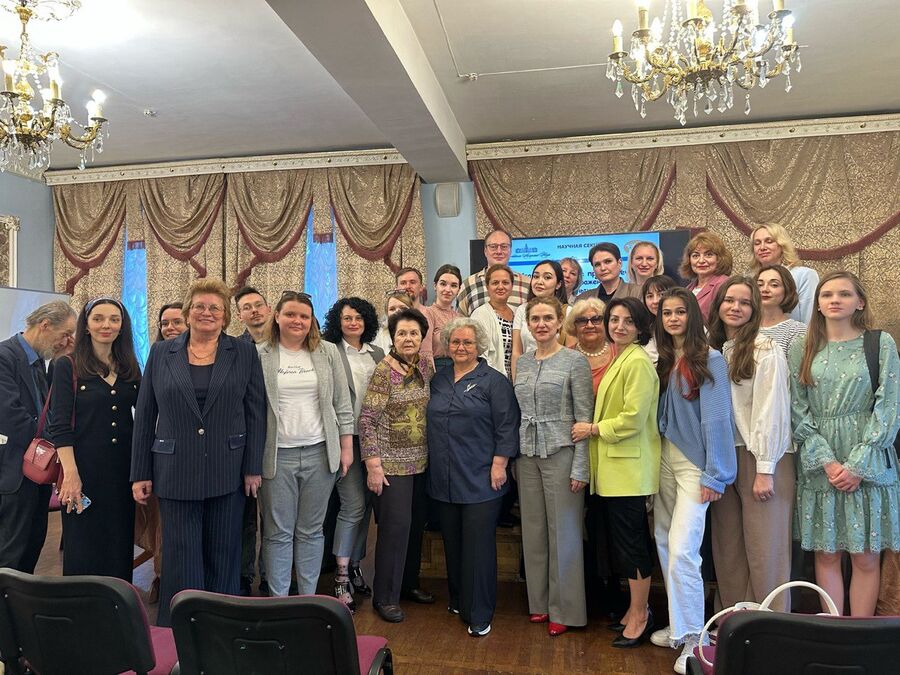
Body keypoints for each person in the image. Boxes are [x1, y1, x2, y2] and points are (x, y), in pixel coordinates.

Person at [131, 278, 266, 627]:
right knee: (180, 555)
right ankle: (181, 625)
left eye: (215, 308)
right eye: (200, 307)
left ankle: (222, 624)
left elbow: (256, 412)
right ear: (188, 312)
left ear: (225, 316)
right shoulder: (161, 353)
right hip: (174, 468)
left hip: (228, 467)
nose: (207, 313)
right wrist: (140, 472)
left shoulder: (244, 352)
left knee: (224, 551)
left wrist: (253, 467)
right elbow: (145, 414)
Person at [789, 271, 900, 616]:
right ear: (818, 304)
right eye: (827, 294)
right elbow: (797, 410)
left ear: (860, 302)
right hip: (820, 459)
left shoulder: (880, 343)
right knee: (826, 553)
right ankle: (834, 629)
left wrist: (858, 464)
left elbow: (889, 405)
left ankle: (859, 632)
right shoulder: (802, 347)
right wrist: (828, 461)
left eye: (844, 294)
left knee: (865, 555)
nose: (834, 300)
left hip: (868, 456)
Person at [651, 288, 736, 675]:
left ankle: (693, 640)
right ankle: (679, 624)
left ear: (692, 315)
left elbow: (717, 418)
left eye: (680, 311)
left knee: (684, 549)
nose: (673, 318)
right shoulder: (667, 359)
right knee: (665, 541)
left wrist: (716, 473)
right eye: (666, 312)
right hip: (665, 459)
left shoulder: (710, 359)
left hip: (694, 465)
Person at [426, 317, 520, 637]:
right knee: (452, 544)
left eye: (467, 342)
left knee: (478, 548)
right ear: (447, 345)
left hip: (481, 478)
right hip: (444, 478)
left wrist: (500, 464)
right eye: (455, 342)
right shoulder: (439, 379)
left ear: (479, 345)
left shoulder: (494, 381)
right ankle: (458, 600)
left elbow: (507, 425)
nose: (461, 347)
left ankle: (479, 613)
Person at [257, 292, 354, 600]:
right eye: (290, 314)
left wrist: (346, 448)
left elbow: (342, 404)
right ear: (277, 316)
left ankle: (308, 600)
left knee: (311, 531)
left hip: (320, 454)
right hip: (276, 456)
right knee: (278, 533)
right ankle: (279, 602)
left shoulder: (327, 351)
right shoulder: (260, 354)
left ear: (311, 320)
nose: (297, 321)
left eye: (304, 316)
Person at [576, 297, 660, 648]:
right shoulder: (621, 356)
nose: (619, 326)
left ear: (640, 327)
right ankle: (633, 609)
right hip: (614, 470)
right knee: (623, 545)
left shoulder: (637, 361)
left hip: (629, 470)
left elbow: (633, 418)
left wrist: (594, 429)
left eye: (628, 321)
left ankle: (641, 614)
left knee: (632, 545)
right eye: (614, 319)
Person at [707, 277, 794, 612]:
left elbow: (772, 408)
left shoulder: (765, 348)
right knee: (728, 548)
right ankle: (733, 621)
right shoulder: (714, 349)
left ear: (755, 308)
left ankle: (772, 626)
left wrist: (765, 468)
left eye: (744, 302)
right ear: (718, 305)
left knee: (765, 550)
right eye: (729, 300)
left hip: (760, 455)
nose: (736, 307)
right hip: (723, 456)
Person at [514, 297, 593, 637]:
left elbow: (584, 417)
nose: (541, 324)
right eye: (535, 318)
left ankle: (566, 610)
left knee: (565, 533)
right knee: (533, 531)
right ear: (528, 324)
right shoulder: (523, 362)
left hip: (562, 453)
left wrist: (581, 467)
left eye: (548, 318)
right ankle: (539, 603)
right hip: (527, 456)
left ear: (560, 321)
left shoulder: (574, 361)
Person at [50, 297, 142, 581]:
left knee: (119, 543)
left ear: (122, 326)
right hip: (82, 471)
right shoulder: (68, 366)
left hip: (122, 472)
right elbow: (60, 425)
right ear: (87, 326)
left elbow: (145, 415)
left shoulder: (129, 367)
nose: (106, 325)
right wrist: (71, 475)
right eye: (98, 318)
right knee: (83, 545)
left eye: (114, 319)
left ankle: (118, 603)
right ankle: (82, 606)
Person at [359, 307, 435, 623]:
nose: (408, 338)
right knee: (394, 530)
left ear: (422, 337)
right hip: (391, 467)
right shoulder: (383, 372)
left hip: (422, 462)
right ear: (393, 337)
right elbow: (367, 420)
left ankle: (408, 584)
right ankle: (385, 597)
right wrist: (373, 465)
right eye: (402, 333)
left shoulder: (426, 366)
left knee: (415, 527)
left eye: (414, 333)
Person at [0, 301, 76, 573]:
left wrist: (63, 360)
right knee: (10, 554)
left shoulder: (40, 364)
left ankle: (18, 600)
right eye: (65, 334)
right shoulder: (5, 356)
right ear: (45, 325)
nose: (67, 341)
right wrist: (53, 444)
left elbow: (51, 410)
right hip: (16, 474)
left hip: (38, 473)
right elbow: (10, 416)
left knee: (31, 548)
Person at [321, 297, 385, 606]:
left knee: (368, 507)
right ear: (338, 321)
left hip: (374, 441)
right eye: (347, 318)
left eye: (359, 317)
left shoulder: (378, 353)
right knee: (353, 505)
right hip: (344, 439)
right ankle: (341, 575)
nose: (353, 323)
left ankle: (356, 564)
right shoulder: (328, 352)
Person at [138, 301, 188, 603]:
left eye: (176, 322)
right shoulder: (157, 357)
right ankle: (161, 575)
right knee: (162, 524)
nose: (170, 328)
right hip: (163, 453)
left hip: (196, 455)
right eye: (165, 323)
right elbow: (146, 413)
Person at [233, 286, 273, 595]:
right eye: (247, 307)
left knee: (274, 518)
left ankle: (272, 574)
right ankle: (244, 574)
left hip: (280, 442)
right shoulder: (234, 349)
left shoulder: (285, 343)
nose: (254, 311)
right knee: (245, 517)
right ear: (239, 315)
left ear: (269, 308)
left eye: (258, 304)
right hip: (244, 443)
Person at [511, 259, 569, 380]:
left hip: (557, 376)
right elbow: (516, 352)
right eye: (536, 277)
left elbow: (571, 352)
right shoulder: (522, 310)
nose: (539, 282)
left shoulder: (568, 311)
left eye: (547, 277)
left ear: (558, 284)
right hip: (527, 375)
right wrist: (517, 383)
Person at [750, 223, 819, 323]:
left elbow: (811, 321)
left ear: (782, 245)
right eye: (757, 243)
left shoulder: (804, 275)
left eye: (769, 241)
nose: (762, 247)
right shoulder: (749, 279)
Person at [457, 229, 530, 316]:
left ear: (510, 250)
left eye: (504, 246)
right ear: (485, 251)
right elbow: (459, 321)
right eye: (493, 247)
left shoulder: (527, 283)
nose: (499, 251)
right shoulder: (468, 284)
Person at [471, 264, 516, 377]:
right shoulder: (480, 315)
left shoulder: (518, 313)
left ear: (512, 286)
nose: (500, 287)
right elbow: (479, 356)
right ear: (487, 286)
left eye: (505, 282)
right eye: (495, 283)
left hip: (518, 381)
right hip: (491, 381)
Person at [755, 264, 808, 358]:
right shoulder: (745, 327)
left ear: (787, 290)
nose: (765, 289)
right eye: (760, 285)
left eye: (774, 285)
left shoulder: (797, 331)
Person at [680, 232, 733, 322]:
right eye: (696, 255)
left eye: (708, 255)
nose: (701, 260)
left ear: (719, 258)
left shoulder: (725, 284)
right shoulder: (689, 288)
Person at [420, 264, 461, 370]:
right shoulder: (427, 313)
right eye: (443, 284)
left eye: (453, 285)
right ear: (435, 286)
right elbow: (425, 352)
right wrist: (430, 376)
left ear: (459, 289)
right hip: (437, 369)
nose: (448, 289)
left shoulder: (460, 319)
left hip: (459, 369)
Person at [574, 242, 641, 305]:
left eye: (608, 261)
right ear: (593, 269)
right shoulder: (583, 299)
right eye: (597, 264)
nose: (603, 268)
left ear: (619, 263)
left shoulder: (638, 292)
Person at [641, 275, 678, 365]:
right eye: (650, 296)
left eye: (661, 295)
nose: (655, 301)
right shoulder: (648, 327)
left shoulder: (683, 323)